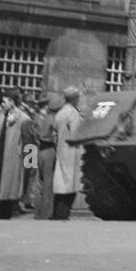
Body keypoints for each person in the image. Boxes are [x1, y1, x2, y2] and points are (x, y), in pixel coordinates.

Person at [0, 90, 33, 220]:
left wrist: (30, 166)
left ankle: (3, 219)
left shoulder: (24, 119)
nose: (1, 105)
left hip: (11, 162)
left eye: (4, 102)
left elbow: (30, 144)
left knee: (6, 196)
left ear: (12, 102)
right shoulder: (2, 115)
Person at [51, 87, 84, 220]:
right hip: (72, 152)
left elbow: (54, 132)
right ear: (75, 99)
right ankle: (63, 214)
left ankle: (57, 213)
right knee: (70, 185)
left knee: (61, 184)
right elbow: (76, 133)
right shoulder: (73, 113)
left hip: (61, 150)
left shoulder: (60, 113)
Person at [26, 97, 56, 217]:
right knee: (45, 183)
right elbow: (41, 135)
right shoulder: (43, 118)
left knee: (40, 182)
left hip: (38, 150)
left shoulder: (39, 117)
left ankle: (40, 211)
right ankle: (45, 213)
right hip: (42, 150)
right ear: (47, 106)